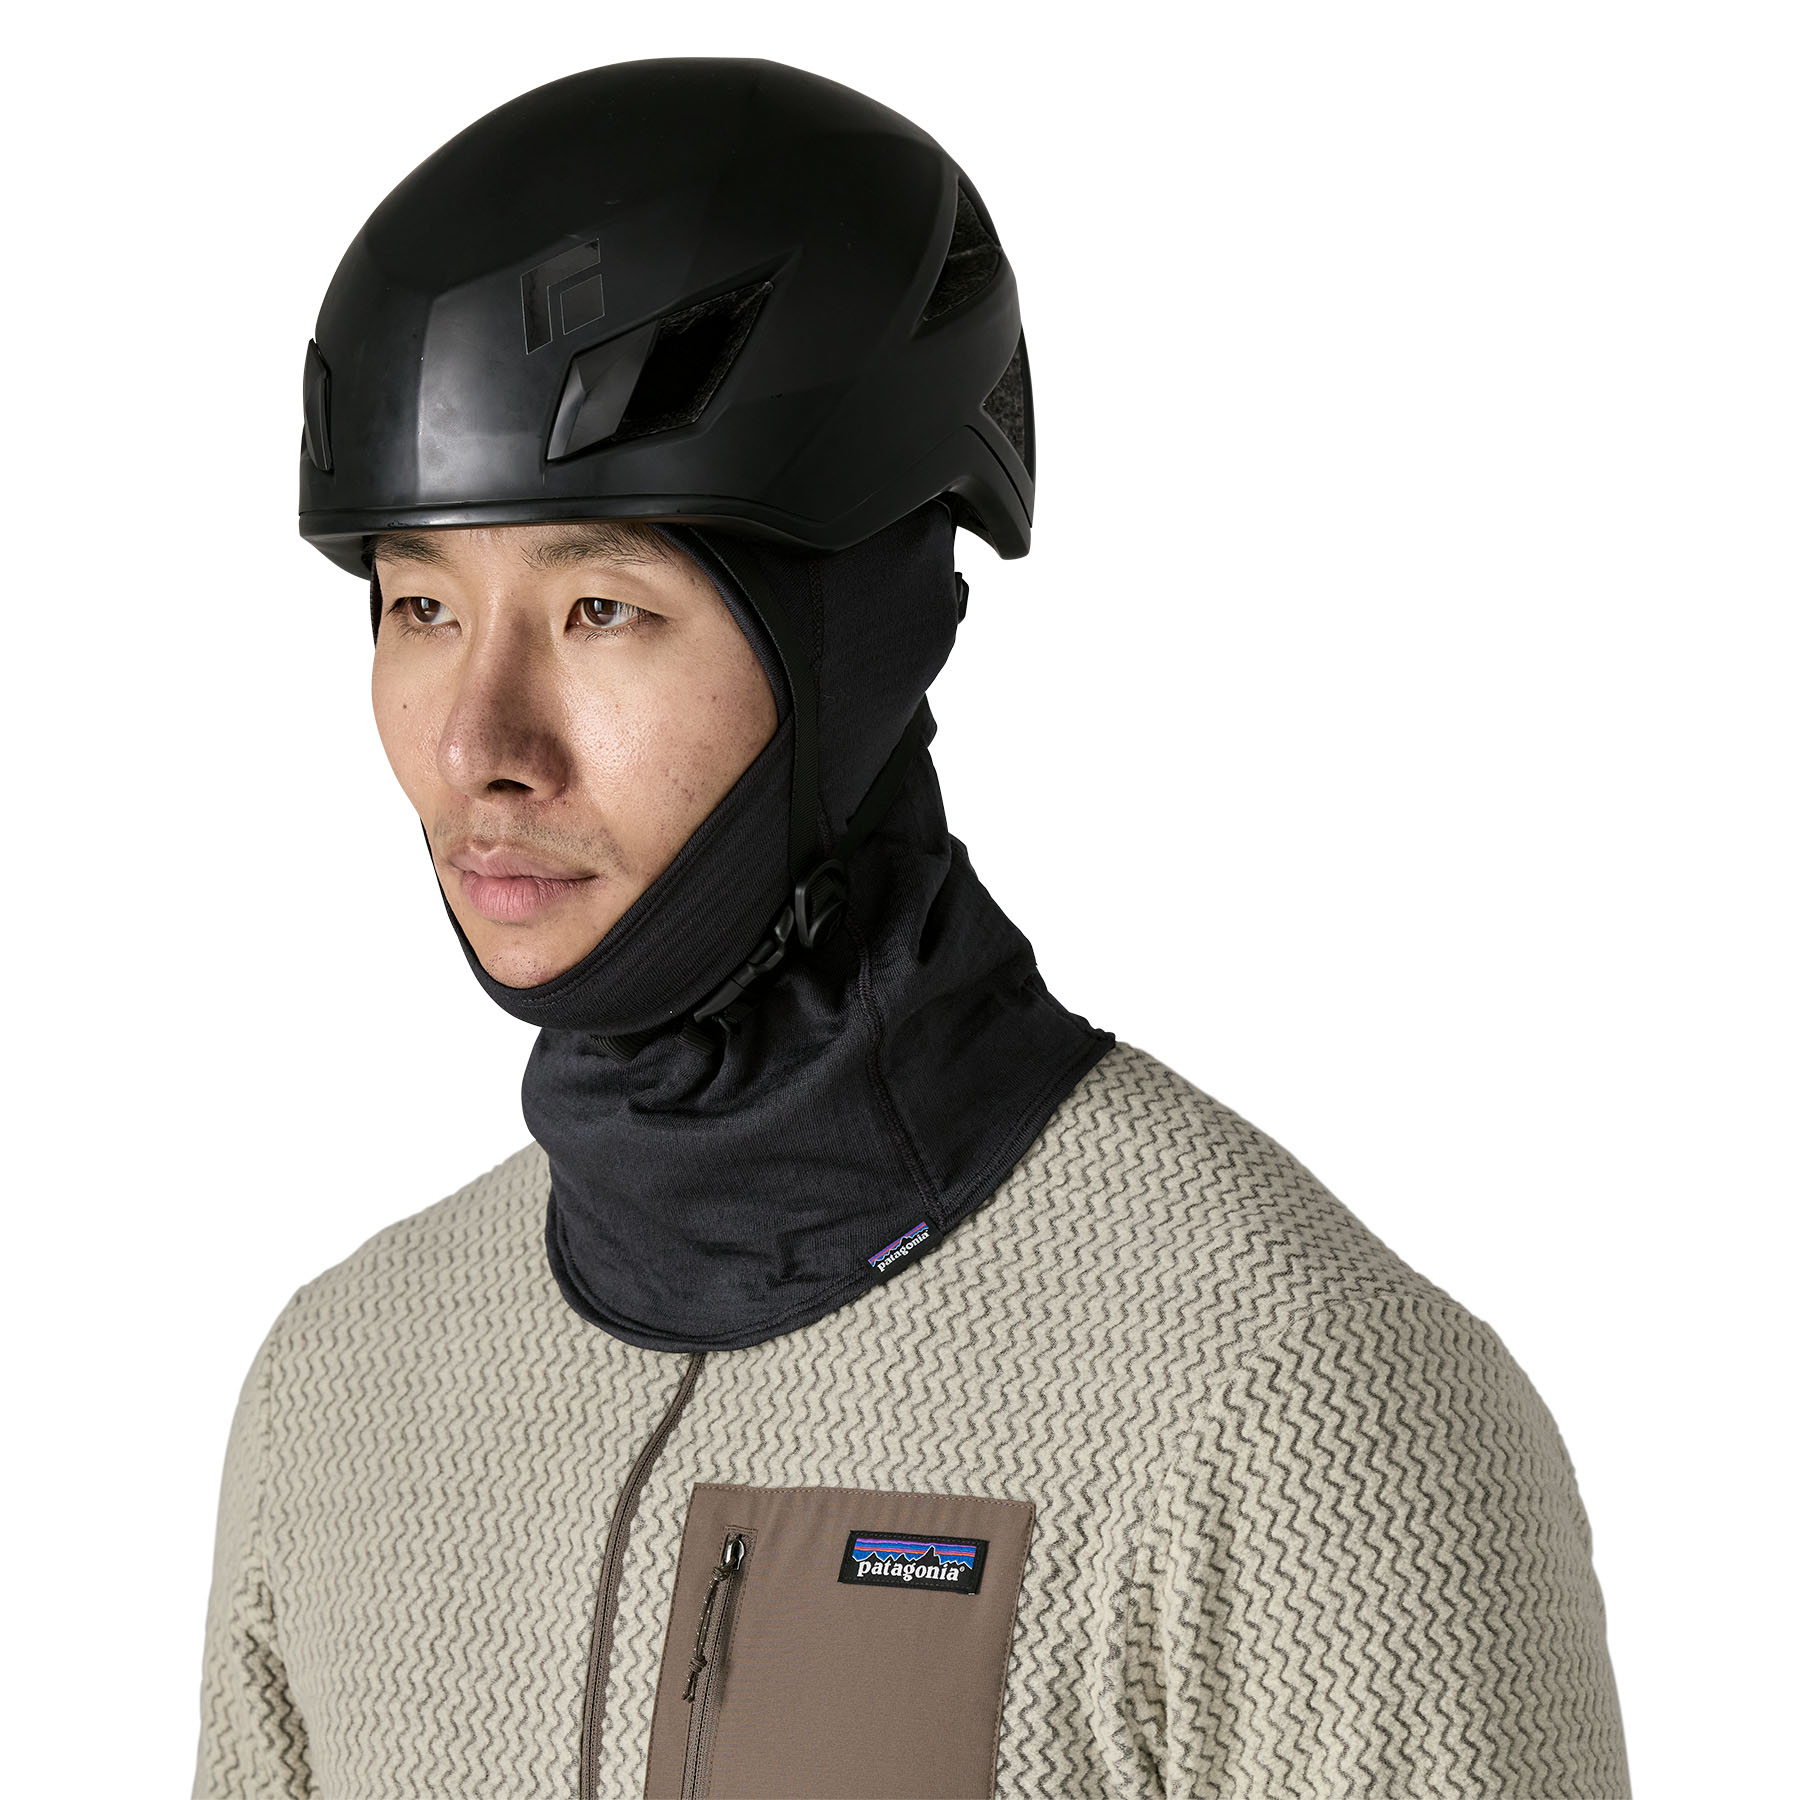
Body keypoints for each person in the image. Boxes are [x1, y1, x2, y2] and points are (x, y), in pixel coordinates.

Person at [194, 57, 1630, 1800]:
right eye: (421, 605)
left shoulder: (1300, 1413)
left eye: (601, 608)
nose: (476, 745)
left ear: (858, 638)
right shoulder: (338, 1399)